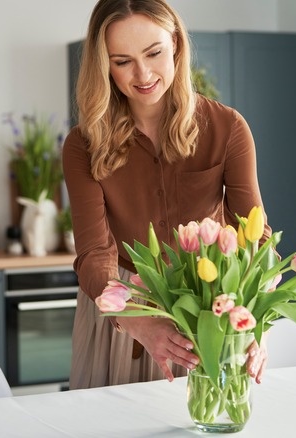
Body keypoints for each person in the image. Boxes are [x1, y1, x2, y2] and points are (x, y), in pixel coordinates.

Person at [62, 0, 273, 390]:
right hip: (121, 309)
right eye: (122, 61)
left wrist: (252, 322)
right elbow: (93, 253)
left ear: (175, 43)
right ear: (103, 65)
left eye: (154, 53)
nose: (142, 74)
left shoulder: (228, 129)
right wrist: (138, 321)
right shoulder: (82, 145)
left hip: (208, 304)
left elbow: (255, 237)